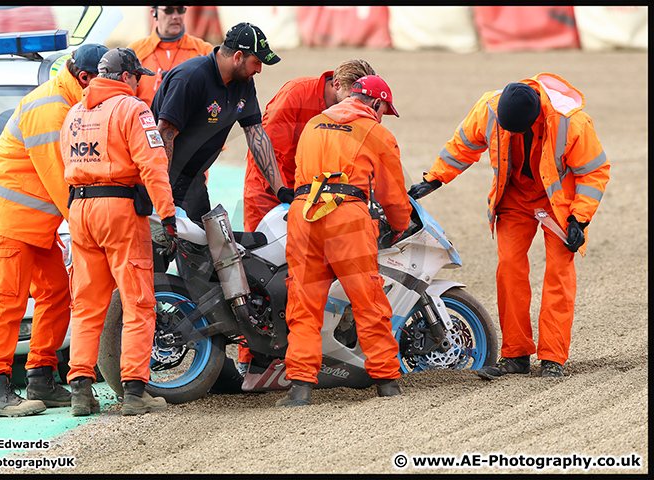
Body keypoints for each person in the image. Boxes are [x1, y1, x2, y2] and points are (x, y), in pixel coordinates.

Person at [408, 73, 610, 379]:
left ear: (537, 117)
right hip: (514, 197)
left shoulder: (571, 122)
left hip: (557, 203)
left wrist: (579, 220)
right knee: (509, 269)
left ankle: (553, 358)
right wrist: (434, 178)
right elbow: (463, 144)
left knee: (559, 273)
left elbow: (594, 172)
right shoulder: (490, 109)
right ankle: (515, 355)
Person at [0, 43, 109, 418]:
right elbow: (62, 180)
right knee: (8, 302)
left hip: (34, 226)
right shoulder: (51, 110)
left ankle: (41, 378)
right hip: (12, 223)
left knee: (54, 292)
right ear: (84, 78)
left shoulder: (66, 102)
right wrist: (89, 228)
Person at [277, 75, 413, 407]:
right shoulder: (378, 133)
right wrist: (400, 226)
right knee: (369, 302)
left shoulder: (313, 124)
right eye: (384, 110)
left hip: (304, 214)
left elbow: (299, 173)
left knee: (303, 306)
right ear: (376, 104)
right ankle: (387, 383)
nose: (382, 117)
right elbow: (393, 195)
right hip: (346, 219)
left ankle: (299, 388)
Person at [237, 58, 377, 374]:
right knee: (259, 276)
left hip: (309, 196)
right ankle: (251, 363)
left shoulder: (349, 110)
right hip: (269, 191)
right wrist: (285, 193)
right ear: (336, 85)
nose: (359, 106)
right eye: (355, 98)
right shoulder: (297, 95)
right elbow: (265, 149)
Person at [60, 48, 179, 416]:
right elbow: (154, 165)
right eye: (137, 77)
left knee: (86, 304)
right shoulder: (133, 109)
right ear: (125, 77)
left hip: (80, 211)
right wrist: (168, 215)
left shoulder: (74, 113)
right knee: (138, 302)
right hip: (119, 211)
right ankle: (135, 391)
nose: (139, 84)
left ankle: (80, 389)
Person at [151, 21, 289, 225]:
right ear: (238, 57)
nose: (259, 70)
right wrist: (161, 197)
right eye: (257, 62)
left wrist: (281, 190)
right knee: (166, 250)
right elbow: (164, 135)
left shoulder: (244, 83)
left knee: (208, 252)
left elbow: (256, 135)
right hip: (164, 179)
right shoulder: (191, 78)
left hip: (194, 181)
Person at [127, 4, 214, 107]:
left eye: (180, 9)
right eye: (168, 10)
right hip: (145, 121)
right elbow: (126, 100)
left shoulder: (204, 51)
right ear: (154, 13)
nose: (176, 16)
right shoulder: (135, 51)